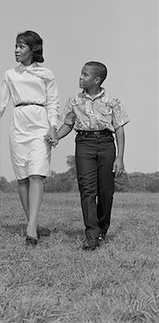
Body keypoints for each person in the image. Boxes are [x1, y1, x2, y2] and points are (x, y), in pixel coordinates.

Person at [0, 31, 59, 246]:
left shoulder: (46, 74)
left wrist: (53, 127)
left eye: (21, 46)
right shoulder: (10, 75)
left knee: (37, 173)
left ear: (33, 49)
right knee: (22, 177)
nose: (16, 50)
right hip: (18, 124)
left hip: (40, 124)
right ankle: (32, 222)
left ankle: (31, 226)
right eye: (15, 46)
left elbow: (53, 102)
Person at [55, 61, 129, 250]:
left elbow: (119, 129)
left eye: (85, 75)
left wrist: (120, 158)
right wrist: (55, 137)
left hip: (106, 144)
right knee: (87, 190)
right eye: (81, 73)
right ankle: (91, 235)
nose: (80, 77)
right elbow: (67, 124)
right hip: (84, 145)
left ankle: (102, 229)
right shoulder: (74, 100)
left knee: (106, 192)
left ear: (97, 80)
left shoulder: (112, 101)